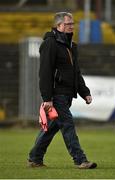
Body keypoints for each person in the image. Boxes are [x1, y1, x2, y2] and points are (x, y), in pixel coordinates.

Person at [28, 12, 97, 169]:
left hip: (67, 94)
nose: (72, 26)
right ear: (58, 26)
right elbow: (45, 72)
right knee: (67, 124)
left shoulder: (72, 46)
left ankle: (35, 157)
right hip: (56, 94)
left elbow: (76, 72)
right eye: (68, 24)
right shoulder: (50, 44)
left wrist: (84, 92)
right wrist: (47, 98)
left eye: (73, 23)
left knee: (52, 127)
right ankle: (80, 159)